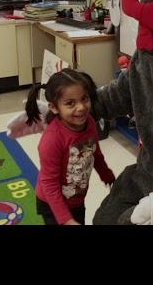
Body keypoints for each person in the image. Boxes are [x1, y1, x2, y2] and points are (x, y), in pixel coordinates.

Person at [25, 69, 115, 225]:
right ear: (54, 107)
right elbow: (49, 183)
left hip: (77, 199)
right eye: (70, 103)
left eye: (84, 99)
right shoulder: (52, 140)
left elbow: (95, 153)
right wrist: (65, 220)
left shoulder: (90, 124)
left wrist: (105, 173)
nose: (81, 107)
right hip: (52, 205)